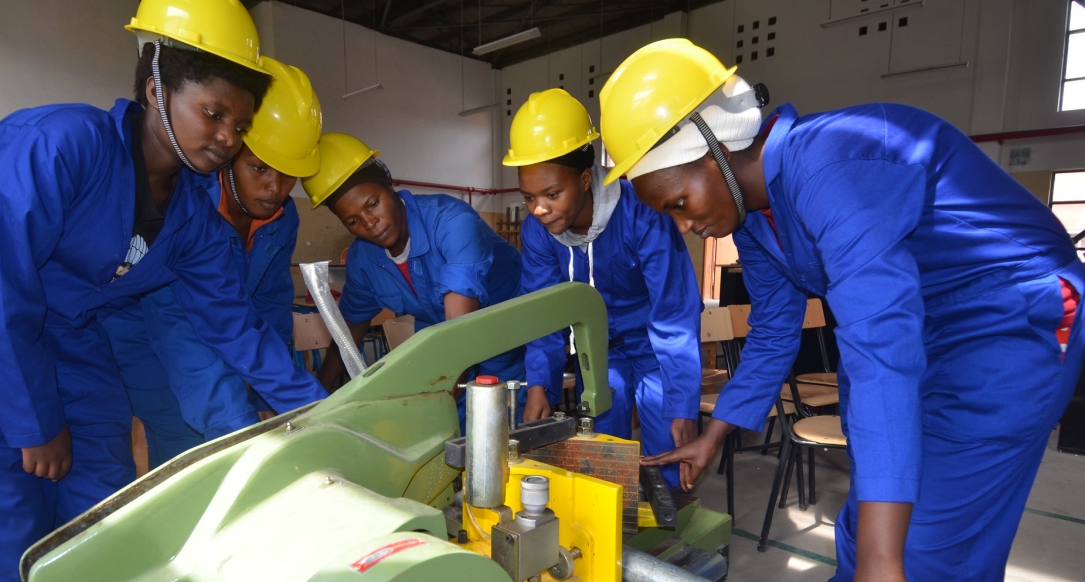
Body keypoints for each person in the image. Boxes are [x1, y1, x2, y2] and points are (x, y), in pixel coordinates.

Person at [600, 39, 1084, 582]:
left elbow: (880, 347)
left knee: (925, 557)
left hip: (1008, 319)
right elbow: (774, 330)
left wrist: (888, 565)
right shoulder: (758, 221)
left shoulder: (831, 162)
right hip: (920, 324)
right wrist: (716, 434)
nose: (688, 226)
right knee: (865, 534)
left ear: (717, 147)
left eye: (680, 203)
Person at [0, 1, 321, 582]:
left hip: (68, 334)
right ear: (156, 88)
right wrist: (34, 422)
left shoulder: (190, 219)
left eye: (238, 126)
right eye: (213, 114)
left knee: (107, 511)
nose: (226, 139)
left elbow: (236, 328)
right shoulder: (59, 143)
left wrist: (323, 411)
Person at [104, 58, 325, 467]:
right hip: (148, 337)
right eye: (259, 168)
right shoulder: (188, 213)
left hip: (229, 333)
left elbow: (269, 309)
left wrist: (284, 402)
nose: (275, 189)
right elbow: (179, 332)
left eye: (290, 175)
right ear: (231, 152)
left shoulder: (280, 218)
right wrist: (236, 421)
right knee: (195, 451)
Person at [504, 88, 702, 487]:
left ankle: (671, 534)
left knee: (667, 445)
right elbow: (545, 315)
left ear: (583, 179)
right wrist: (539, 383)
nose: (539, 209)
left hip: (655, 349)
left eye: (552, 194)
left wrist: (683, 401)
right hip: (598, 353)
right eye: (529, 197)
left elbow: (674, 312)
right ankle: (617, 532)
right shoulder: (538, 233)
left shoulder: (642, 215)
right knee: (604, 450)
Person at [307, 133, 525, 407]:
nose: (369, 223)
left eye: (372, 204)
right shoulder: (364, 259)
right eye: (352, 220)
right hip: (445, 341)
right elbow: (350, 330)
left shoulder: (451, 222)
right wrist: (315, 399)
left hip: (509, 335)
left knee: (506, 422)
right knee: (446, 431)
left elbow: (459, 332)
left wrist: (436, 410)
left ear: (390, 187)